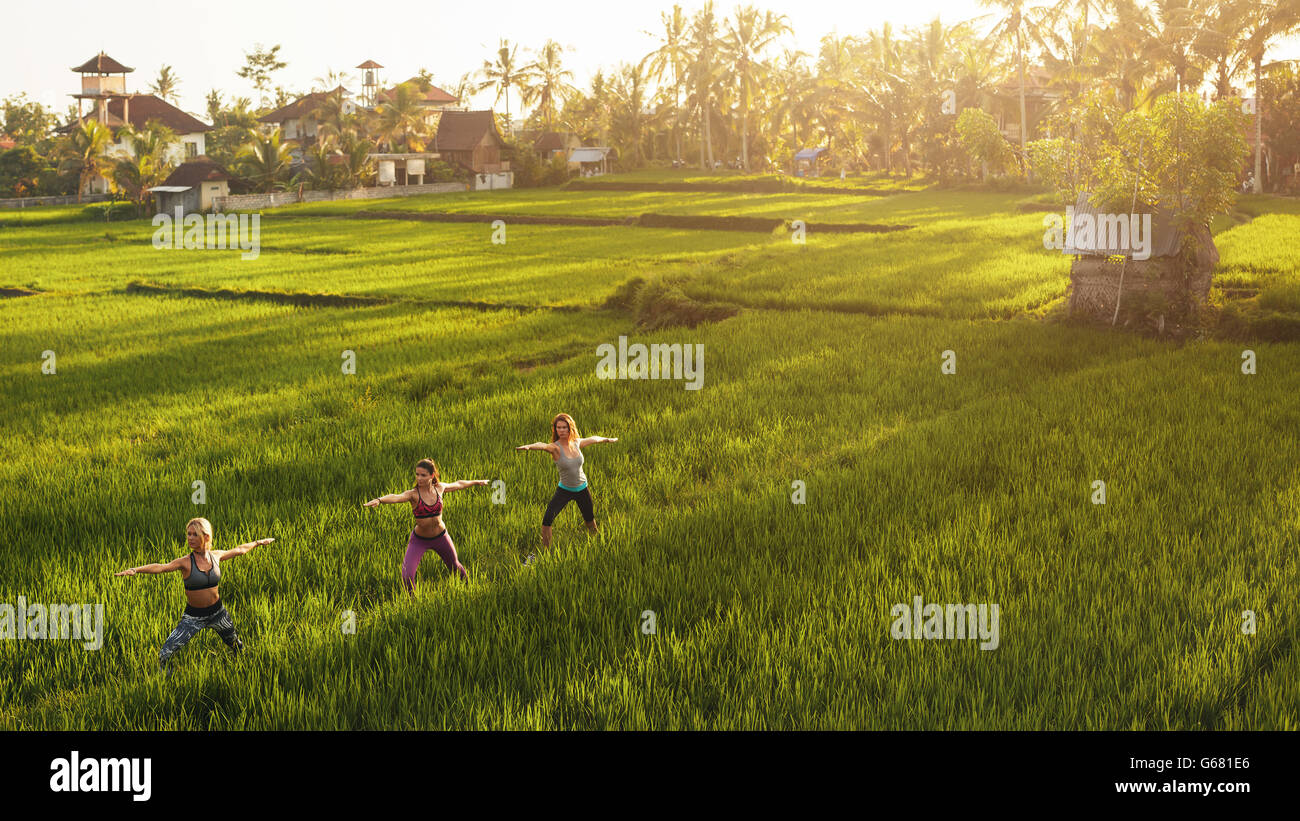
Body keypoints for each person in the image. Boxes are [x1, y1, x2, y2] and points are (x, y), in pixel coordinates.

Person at [114, 517, 272, 675]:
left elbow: (240, 550)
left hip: (218, 613)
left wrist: (258, 542)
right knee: (165, 653)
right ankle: (167, 680)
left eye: (194, 534)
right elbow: (161, 567)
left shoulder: (216, 556)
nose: (190, 538)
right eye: (188, 534)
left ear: (206, 536)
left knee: (236, 645)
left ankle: (247, 669)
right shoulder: (185, 562)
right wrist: (135, 570)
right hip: (193, 617)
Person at [363, 458, 489, 592]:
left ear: (432, 475)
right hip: (419, 540)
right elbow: (396, 496)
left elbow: (459, 484)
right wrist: (379, 500)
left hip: (441, 537)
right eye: (417, 474)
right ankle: (412, 604)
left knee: (455, 566)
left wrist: (477, 482)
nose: (419, 478)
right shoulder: (413, 495)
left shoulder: (439, 488)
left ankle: (470, 589)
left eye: (423, 475)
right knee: (407, 575)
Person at [515, 413, 618, 564]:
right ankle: (545, 554)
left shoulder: (576, 442)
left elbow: (593, 439)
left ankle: (600, 547)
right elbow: (542, 445)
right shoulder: (555, 448)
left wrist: (606, 439)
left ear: (570, 428)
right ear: (555, 430)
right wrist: (529, 447)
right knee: (547, 521)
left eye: (564, 427)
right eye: (558, 428)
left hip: (582, 489)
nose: (562, 430)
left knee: (590, 521)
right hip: (564, 490)